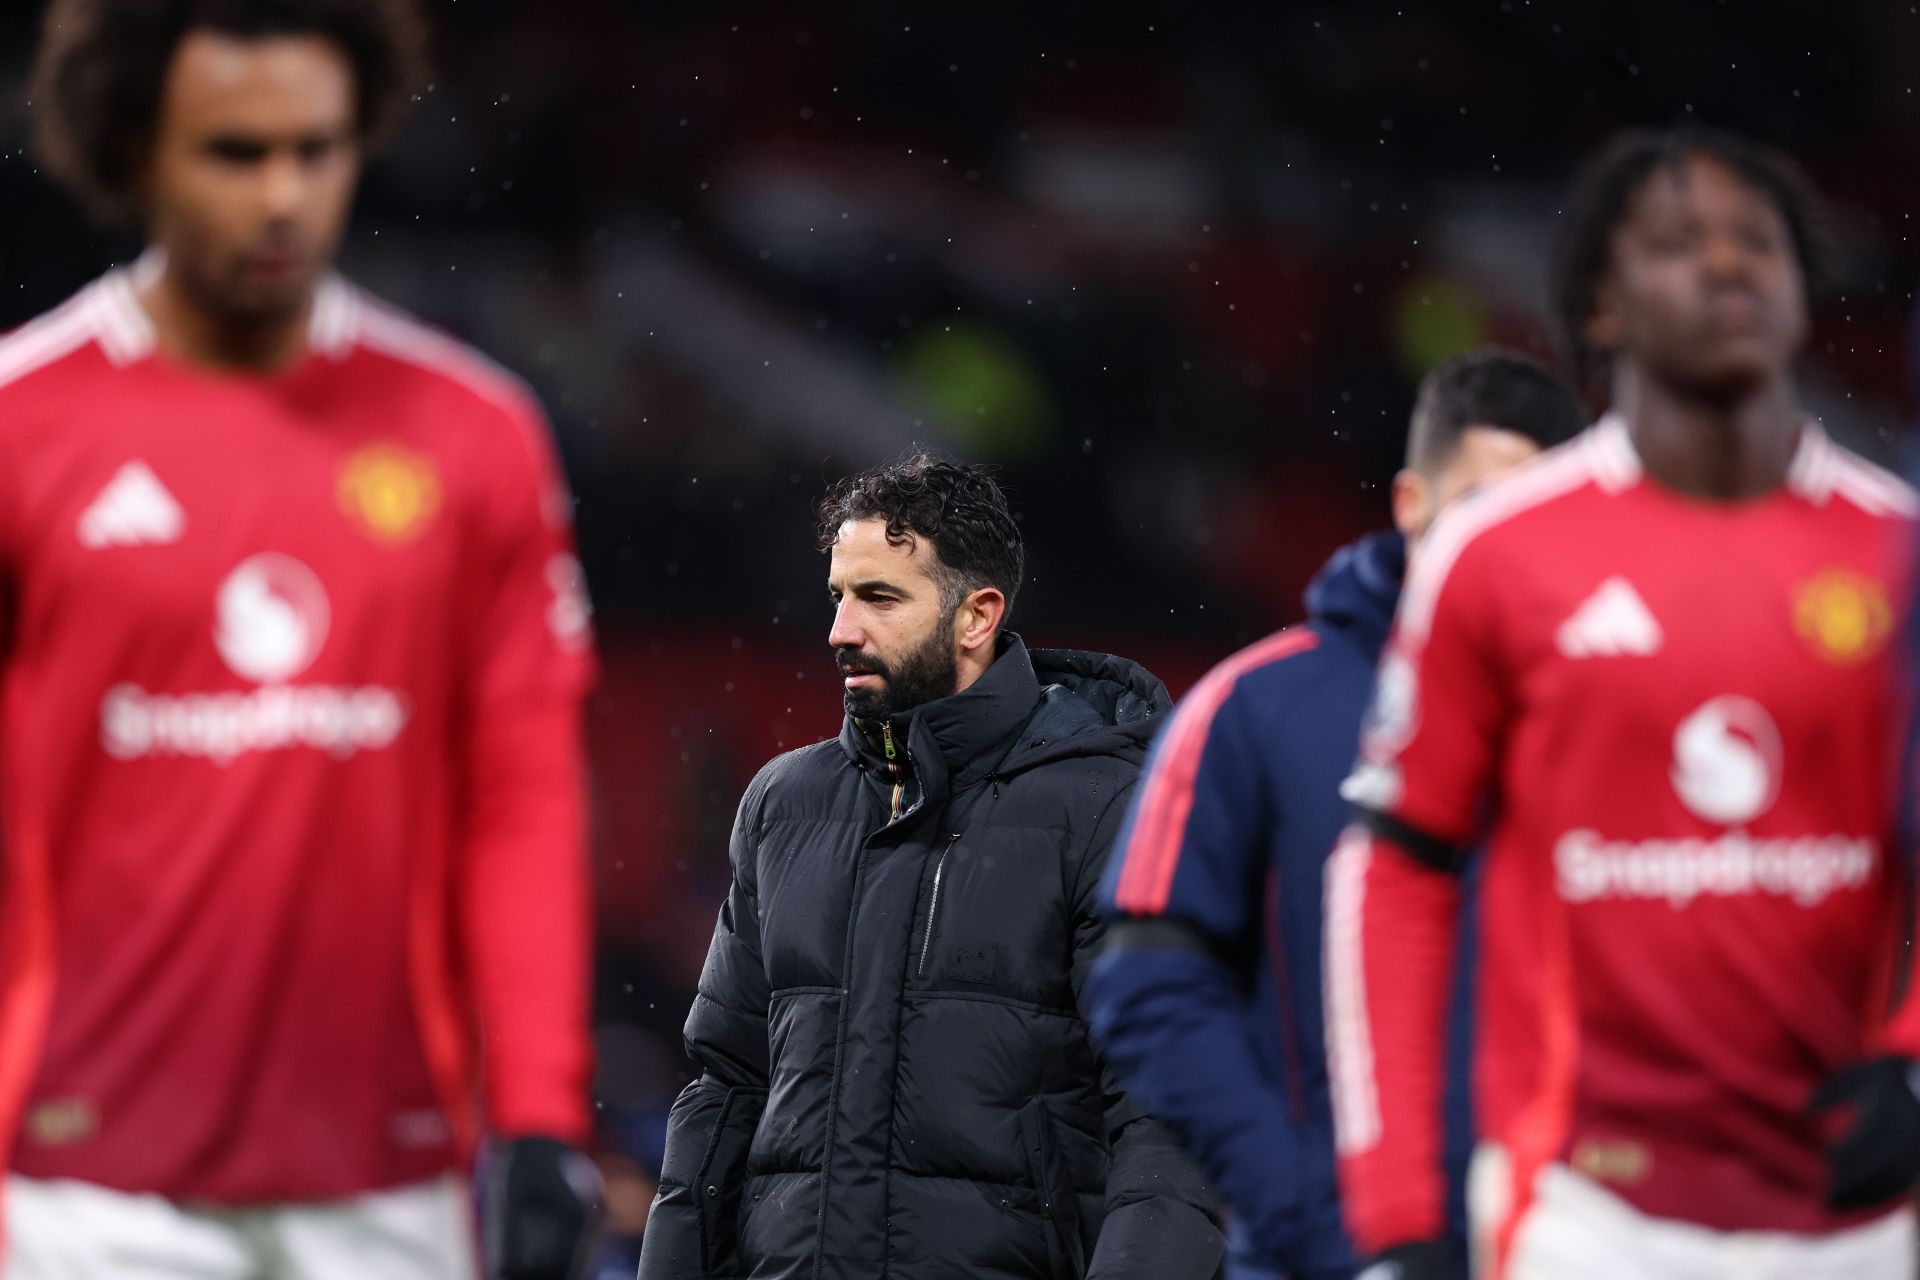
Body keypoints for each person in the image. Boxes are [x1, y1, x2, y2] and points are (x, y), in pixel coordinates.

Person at [3, 2, 600, 1276]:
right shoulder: (20, 430)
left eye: (316, 149)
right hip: (76, 1190)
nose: (284, 195)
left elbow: (520, 795)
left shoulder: (477, 435)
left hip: (390, 1186)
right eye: (234, 152)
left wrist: (542, 1107)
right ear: (134, 150)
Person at [1325, 127, 1920, 1280]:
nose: (1728, 264)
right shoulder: (1498, 556)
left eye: (1759, 242)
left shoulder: (1898, 554)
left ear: (1804, 292)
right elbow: (1393, 867)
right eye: (1679, 242)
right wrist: (1397, 1214)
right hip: (1583, 1210)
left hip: (1859, 1208)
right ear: (1602, 306)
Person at [638, 454, 1223, 1280]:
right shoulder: (782, 804)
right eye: (838, 596)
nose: (842, 630)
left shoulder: (1110, 812)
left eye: (880, 598)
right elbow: (724, 1092)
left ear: (977, 615)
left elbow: (1170, 1114)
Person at [1088, 349, 1588, 1280]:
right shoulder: (1252, 708)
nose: (1504, 551)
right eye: (1481, 509)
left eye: (1542, 523)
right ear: (1409, 504)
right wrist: (1308, 1209)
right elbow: (1151, 988)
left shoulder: (1619, 718)